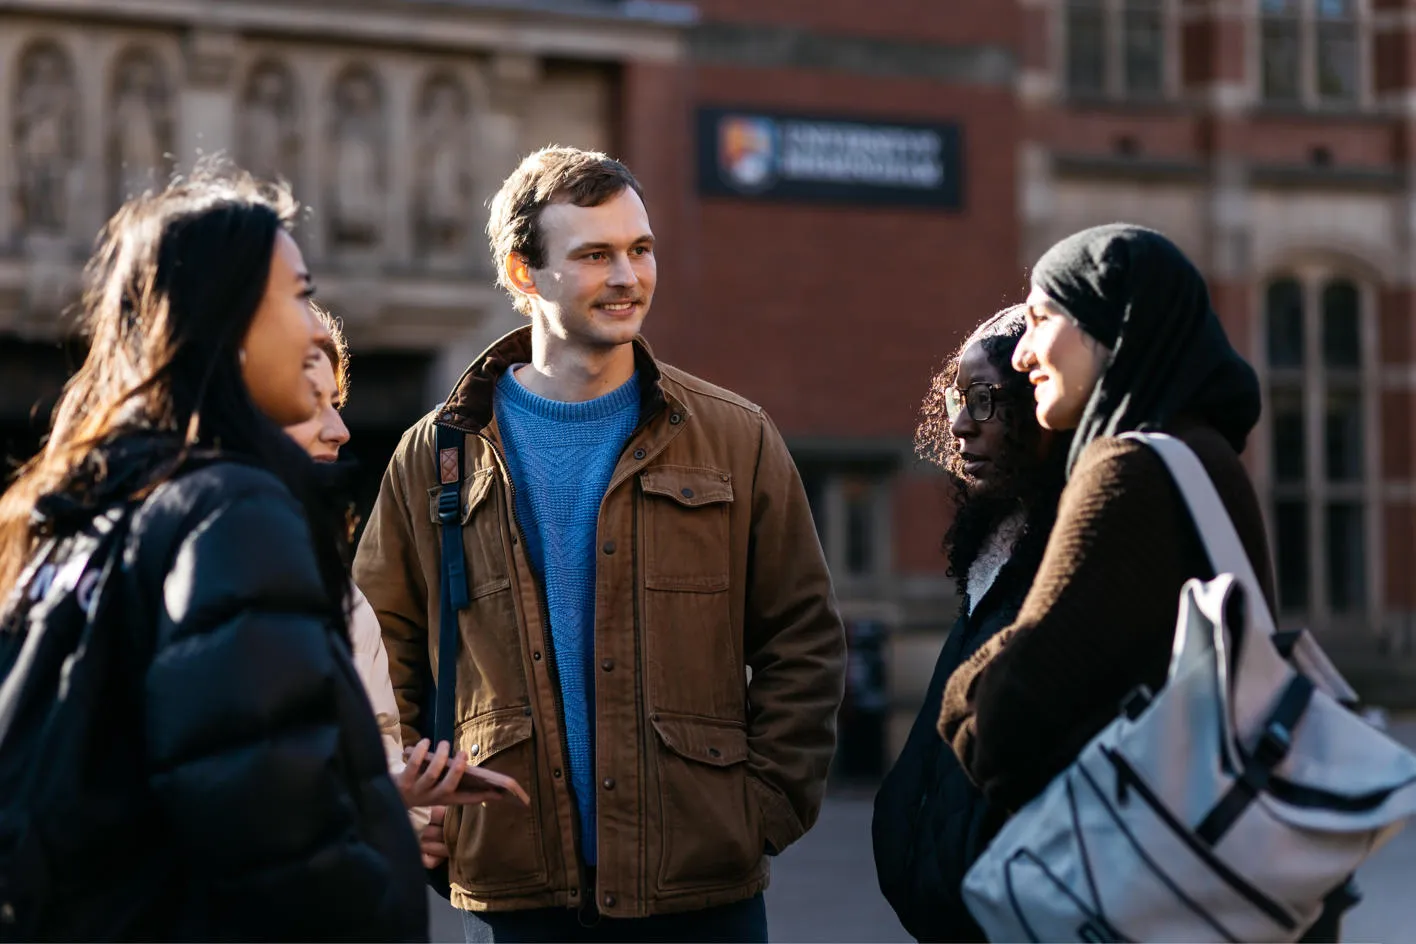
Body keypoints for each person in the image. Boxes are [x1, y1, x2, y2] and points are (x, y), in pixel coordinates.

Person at [353, 146, 847, 942]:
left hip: (700, 887)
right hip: (516, 882)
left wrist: (758, 811)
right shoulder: (438, 454)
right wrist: (405, 800)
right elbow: (380, 649)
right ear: (523, 273)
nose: (628, 276)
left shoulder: (733, 437)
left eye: (640, 250)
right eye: (594, 255)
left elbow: (804, 638)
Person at [0, 170, 427, 940]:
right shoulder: (232, 508)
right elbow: (273, 821)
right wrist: (377, 903)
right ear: (234, 322)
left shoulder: (90, 500)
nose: (312, 329)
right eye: (298, 295)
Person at [937, 224, 1344, 940]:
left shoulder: (1127, 469)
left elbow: (1003, 726)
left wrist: (961, 686)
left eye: (1039, 320)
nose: (1024, 351)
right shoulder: (1203, 454)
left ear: (1106, 326)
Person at [872, 307, 1068, 942]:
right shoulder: (993, 549)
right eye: (960, 399)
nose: (959, 426)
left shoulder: (1072, 558)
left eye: (984, 400)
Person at [283, 305, 508, 860]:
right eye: (312, 406)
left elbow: (371, 737)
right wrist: (386, 802)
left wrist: (409, 816)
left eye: (334, 404)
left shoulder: (315, 563)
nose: (339, 430)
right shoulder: (202, 564)